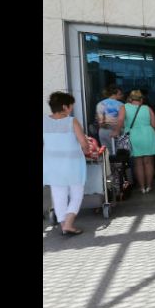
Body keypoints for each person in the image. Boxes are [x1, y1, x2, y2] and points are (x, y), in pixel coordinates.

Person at [44, 92, 91, 236]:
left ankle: (64, 224)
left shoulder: (44, 121)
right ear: (65, 106)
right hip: (72, 164)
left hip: (52, 164)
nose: (71, 109)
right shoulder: (72, 121)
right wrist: (87, 148)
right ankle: (69, 224)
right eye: (71, 106)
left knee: (58, 195)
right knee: (76, 193)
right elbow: (83, 143)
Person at [114, 90, 155, 194]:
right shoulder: (147, 108)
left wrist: (116, 131)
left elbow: (120, 120)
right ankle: (149, 186)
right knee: (148, 162)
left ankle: (142, 187)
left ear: (130, 99)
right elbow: (154, 124)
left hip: (133, 135)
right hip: (148, 135)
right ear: (142, 99)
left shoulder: (124, 107)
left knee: (138, 163)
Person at [95, 84, 124, 148]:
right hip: (115, 131)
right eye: (120, 94)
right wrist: (117, 131)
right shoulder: (120, 105)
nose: (122, 96)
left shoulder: (100, 104)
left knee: (106, 153)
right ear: (115, 94)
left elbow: (98, 118)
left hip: (102, 131)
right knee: (118, 154)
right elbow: (121, 119)